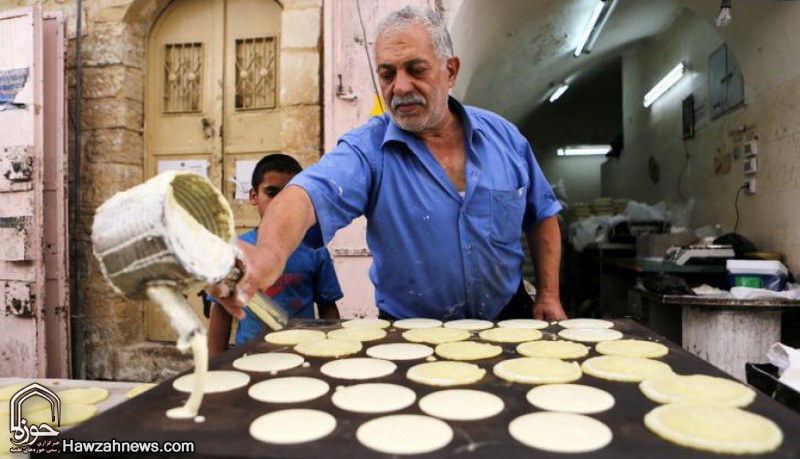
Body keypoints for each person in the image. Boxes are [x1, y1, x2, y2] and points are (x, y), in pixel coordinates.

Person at [214, 6, 567, 323]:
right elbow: (306, 193)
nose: (400, 87)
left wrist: (549, 294)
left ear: (451, 70)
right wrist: (268, 253)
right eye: (386, 74)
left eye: (416, 70)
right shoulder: (368, 150)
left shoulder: (504, 139)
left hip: (507, 318)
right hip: (411, 333)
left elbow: (542, 214)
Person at [207, 154, 343, 357]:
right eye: (272, 193)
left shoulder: (316, 250)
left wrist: (332, 352)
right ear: (253, 196)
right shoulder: (238, 251)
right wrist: (214, 362)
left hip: (302, 353)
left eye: (289, 195)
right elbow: (221, 309)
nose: (281, 203)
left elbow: (327, 308)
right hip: (250, 354)